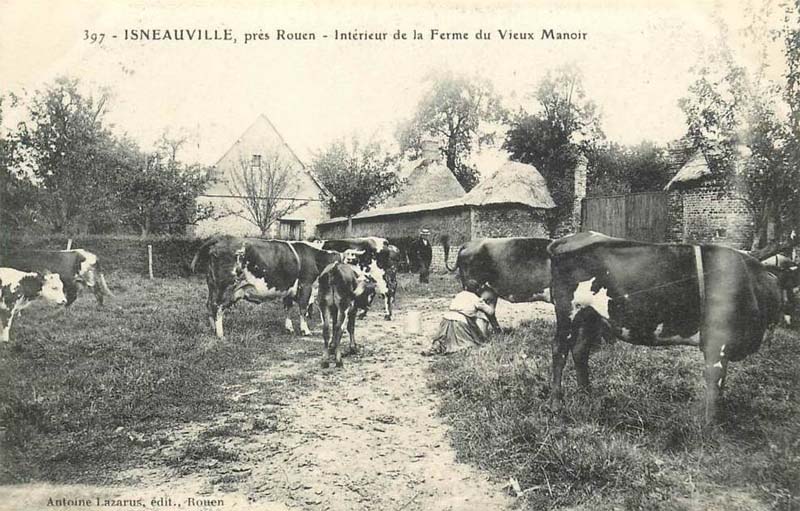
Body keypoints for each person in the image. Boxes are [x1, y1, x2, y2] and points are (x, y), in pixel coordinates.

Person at [422, 280, 497, 356]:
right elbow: (490, 312)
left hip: (446, 320)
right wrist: (492, 301)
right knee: (464, 344)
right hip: (460, 322)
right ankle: (458, 350)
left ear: (465, 287)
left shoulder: (459, 295)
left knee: (443, 339)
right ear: (477, 290)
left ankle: (434, 348)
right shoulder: (476, 299)